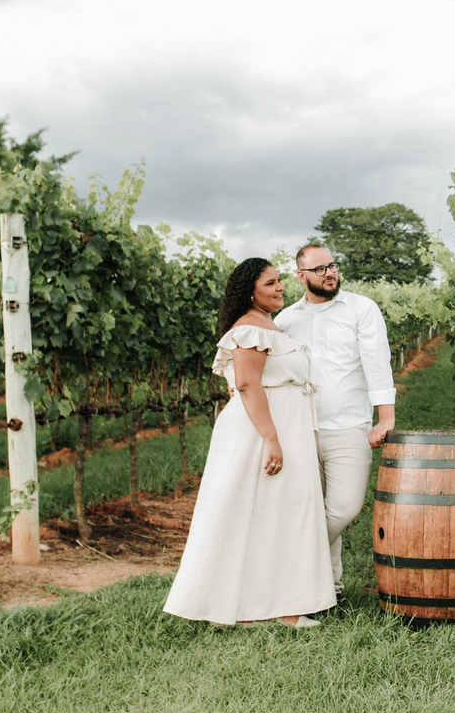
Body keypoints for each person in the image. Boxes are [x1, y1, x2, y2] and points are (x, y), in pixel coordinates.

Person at [164, 258, 335, 627]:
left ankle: (281, 605)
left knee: (278, 515)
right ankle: (257, 607)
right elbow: (246, 384)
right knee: (254, 514)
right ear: (250, 292)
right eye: (269, 283)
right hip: (262, 433)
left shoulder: (267, 325)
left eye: (279, 280)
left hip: (285, 426)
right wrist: (271, 438)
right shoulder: (248, 329)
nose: (279, 287)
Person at [275, 244, 395, 596]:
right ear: (301, 276)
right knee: (311, 507)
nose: (330, 273)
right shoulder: (285, 321)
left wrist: (385, 417)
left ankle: (287, 564)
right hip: (299, 428)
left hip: (349, 426)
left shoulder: (361, 309)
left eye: (332, 265)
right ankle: (328, 589)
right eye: (320, 269)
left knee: (343, 508)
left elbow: (377, 362)